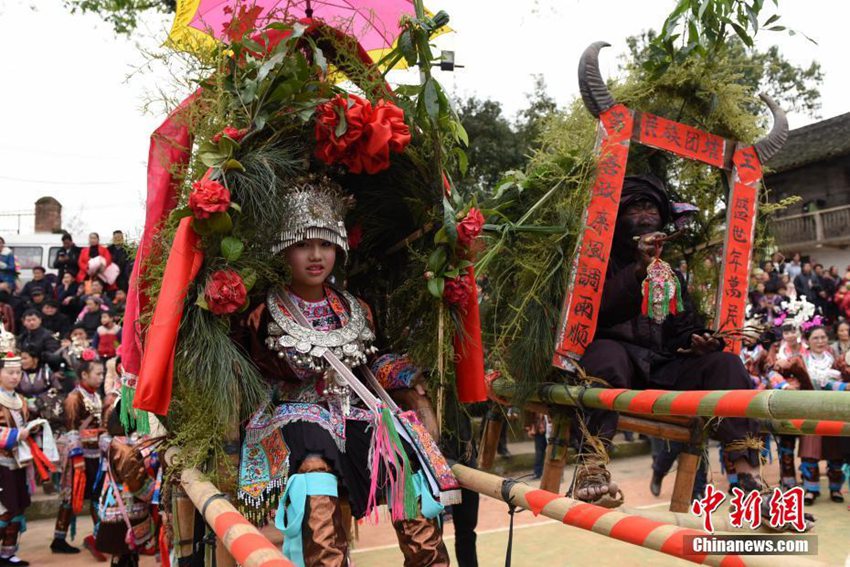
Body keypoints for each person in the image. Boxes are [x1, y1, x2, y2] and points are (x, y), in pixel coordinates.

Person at [235, 179, 454, 566]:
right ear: (284, 250)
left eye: (325, 244)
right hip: (291, 412)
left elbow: (373, 360)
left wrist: (406, 377)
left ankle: (430, 561)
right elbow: (260, 369)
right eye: (303, 244)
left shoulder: (356, 308)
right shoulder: (263, 312)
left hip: (353, 411)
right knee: (314, 462)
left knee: (398, 451)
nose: (315, 255)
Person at [571, 174, 764, 509]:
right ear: (616, 218)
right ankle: (592, 466)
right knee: (605, 357)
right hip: (620, 363)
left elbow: (681, 327)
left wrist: (698, 341)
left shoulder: (670, 273)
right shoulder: (595, 263)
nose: (646, 214)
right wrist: (636, 271)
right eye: (636, 207)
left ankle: (747, 476)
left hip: (663, 366)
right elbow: (598, 313)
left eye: (651, 207)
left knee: (726, 363)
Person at [51, 351, 107, 559]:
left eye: (102, 374)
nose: (101, 378)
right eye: (98, 374)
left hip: (94, 455)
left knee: (95, 497)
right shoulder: (74, 398)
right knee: (70, 498)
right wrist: (77, 460)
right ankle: (59, 539)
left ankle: (100, 536)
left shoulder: (94, 395)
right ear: (84, 375)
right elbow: (72, 430)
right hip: (79, 457)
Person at [797, 326, 847, 505]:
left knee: (836, 452)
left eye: (823, 337)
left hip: (833, 411)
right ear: (808, 341)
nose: (820, 341)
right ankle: (811, 490)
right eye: (816, 338)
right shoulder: (801, 360)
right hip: (811, 411)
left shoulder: (836, 359)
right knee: (810, 452)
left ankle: (835, 489)